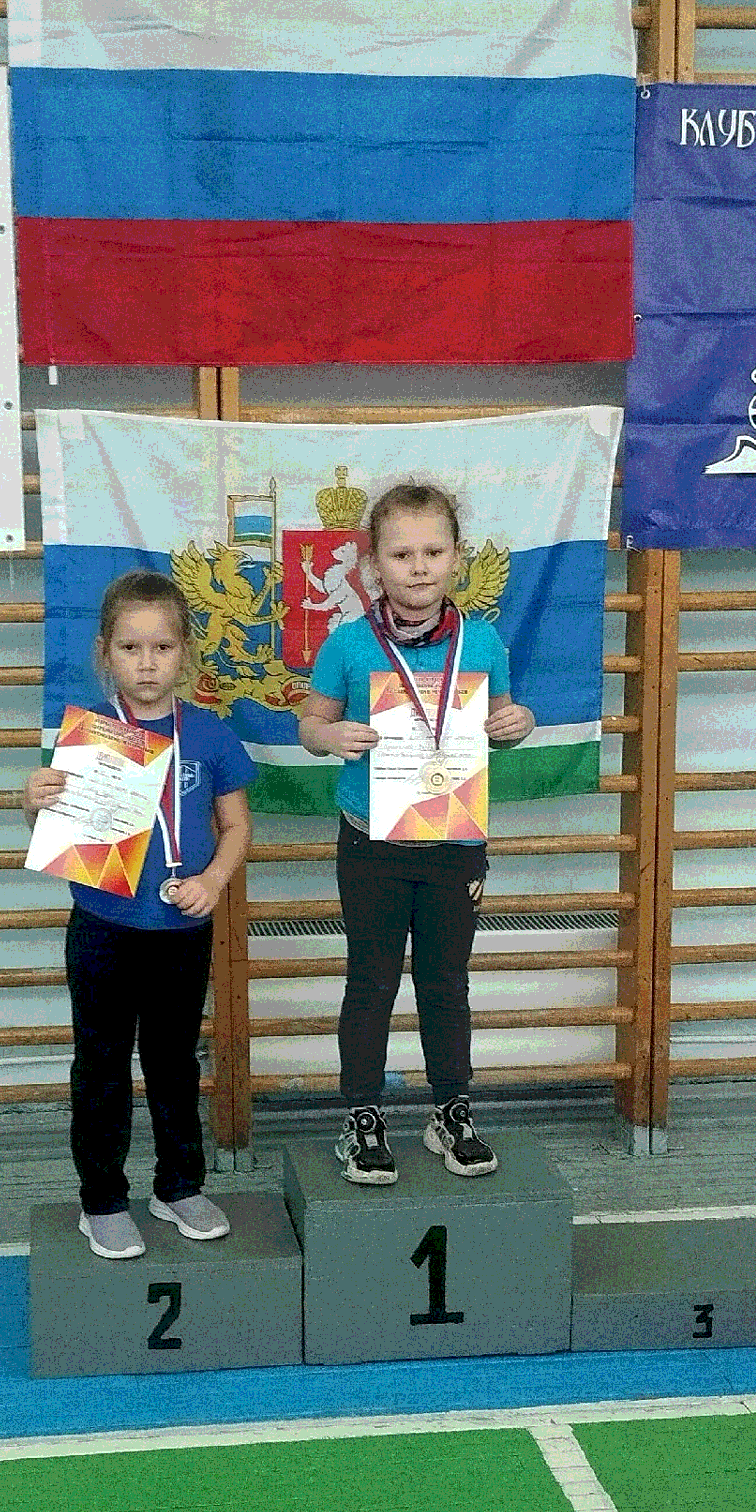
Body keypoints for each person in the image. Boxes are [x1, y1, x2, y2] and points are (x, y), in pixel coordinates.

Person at [297, 481, 534, 1185]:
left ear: (458, 557)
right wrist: (329, 736)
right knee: (370, 982)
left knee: (446, 983)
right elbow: (310, 723)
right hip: (372, 843)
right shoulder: (347, 643)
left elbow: (505, 719)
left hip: (454, 844)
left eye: (434, 551)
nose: (419, 566)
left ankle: (451, 1110)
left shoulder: (483, 640)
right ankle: (361, 1116)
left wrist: (518, 724)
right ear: (374, 563)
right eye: (402, 554)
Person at [24, 570, 255, 1260]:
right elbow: (55, 823)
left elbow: (237, 826)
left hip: (182, 931)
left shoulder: (209, 735)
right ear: (105, 653)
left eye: (162, 647)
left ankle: (178, 1186)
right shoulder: (89, 740)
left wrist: (213, 880)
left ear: (185, 652)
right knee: (101, 1066)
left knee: (174, 1063)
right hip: (102, 928)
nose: (147, 662)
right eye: (131, 648)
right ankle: (101, 1200)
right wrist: (32, 802)